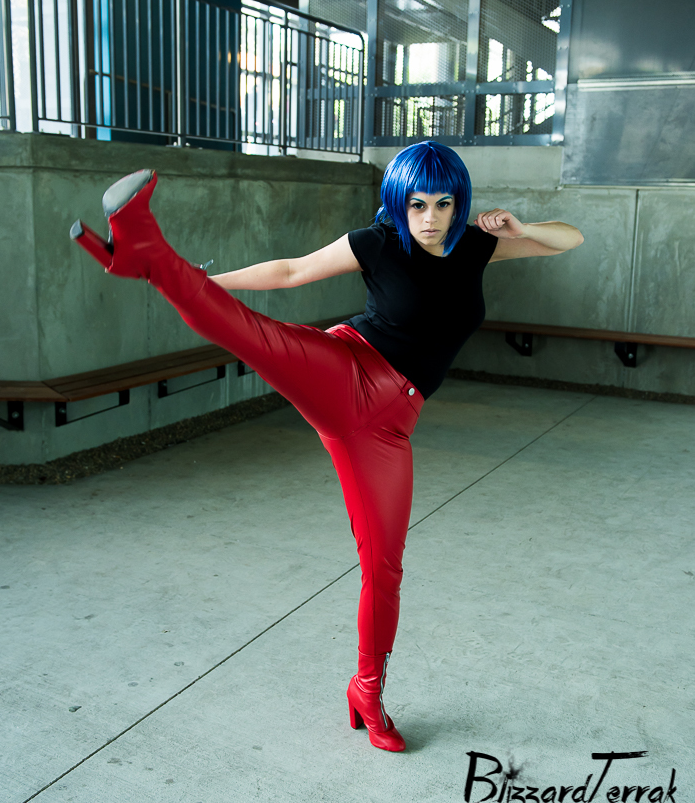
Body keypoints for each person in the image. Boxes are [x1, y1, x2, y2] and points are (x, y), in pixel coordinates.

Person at [70, 141, 583, 752]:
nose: (429, 217)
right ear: (399, 202)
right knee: (245, 330)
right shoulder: (377, 243)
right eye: (417, 203)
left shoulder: (476, 245)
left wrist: (522, 228)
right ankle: (152, 255)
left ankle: (367, 690)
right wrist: (202, 282)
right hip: (346, 371)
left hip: (391, 428)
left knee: (385, 569)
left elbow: (568, 238)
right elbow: (289, 271)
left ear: (458, 203)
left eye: (443, 203)